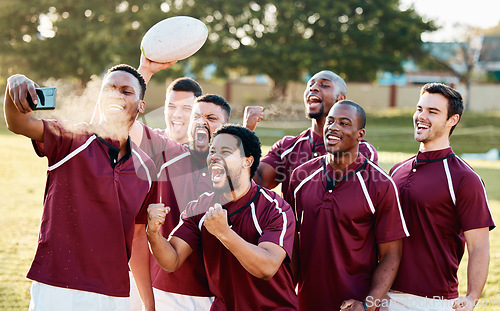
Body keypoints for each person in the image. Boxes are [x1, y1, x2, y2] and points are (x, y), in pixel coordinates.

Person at [4, 65, 157, 310]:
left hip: (114, 293)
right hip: (58, 286)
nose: (117, 94)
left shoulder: (147, 169)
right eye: (110, 88)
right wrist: (15, 82)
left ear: (141, 105)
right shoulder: (70, 138)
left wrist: (149, 305)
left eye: (126, 91)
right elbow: (18, 123)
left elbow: (138, 239)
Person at [147, 124, 298, 310]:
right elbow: (172, 260)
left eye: (225, 151)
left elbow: (266, 268)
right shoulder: (199, 207)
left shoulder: (275, 208)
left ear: (247, 161)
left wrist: (224, 233)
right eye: (212, 151)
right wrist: (153, 233)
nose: (214, 157)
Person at [288, 100, 409, 311]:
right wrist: (288, 296)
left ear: (360, 135)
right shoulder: (300, 177)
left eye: (344, 123)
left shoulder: (381, 185)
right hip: (306, 303)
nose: (334, 127)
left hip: (355, 306)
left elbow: (391, 255)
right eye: (331, 121)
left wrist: (368, 304)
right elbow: (293, 245)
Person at [387, 83, 495, 311]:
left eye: (432, 112)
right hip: (383, 295)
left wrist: (472, 297)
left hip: (432, 302)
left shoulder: (465, 178)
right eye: (419, 109)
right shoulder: (396, 171)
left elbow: (479, 246)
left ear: (452, 120)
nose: (421, 117)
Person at [254, 70, 378, 201]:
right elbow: (258, 181)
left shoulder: (362, 150)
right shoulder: (286, 147)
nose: (313, 88)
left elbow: (357, 200)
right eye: (310, 85)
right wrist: (245, 135)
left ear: (340, 99)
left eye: (324, 85)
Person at [129, 74, 203, 147]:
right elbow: (126, 124)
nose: (177, 115)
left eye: (186, 108)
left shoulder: (206, 151)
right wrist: (145, 70)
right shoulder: (150, 140)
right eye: (172, 107)